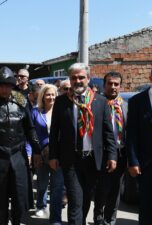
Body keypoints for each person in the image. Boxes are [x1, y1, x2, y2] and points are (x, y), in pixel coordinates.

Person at [49, 63, 117, 225]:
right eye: (74, 78)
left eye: (81, 77)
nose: (77, 81)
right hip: (71, 160)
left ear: (88, 78)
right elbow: (54, 132)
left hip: (94, 160)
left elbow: (108, 133)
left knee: (86, 198)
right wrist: (53, 155)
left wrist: (112, 155)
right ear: (70, 80)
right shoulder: (61, 102)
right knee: (75, 200)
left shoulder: (100, 102)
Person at [0, 66, 40, 225]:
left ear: (12, 85)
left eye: (7, 85)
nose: (4, 89)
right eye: (1, 85)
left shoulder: (22, 101)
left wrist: (37, 151)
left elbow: (30, 128)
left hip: (18, 155)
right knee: (0, 198)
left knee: (19, 196)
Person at [127, 62, 152, 225]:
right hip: (148, 161)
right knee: (147, 203)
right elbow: (132, 134)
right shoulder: (137, 101)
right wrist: (133, 161)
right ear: (151, 79)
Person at [94, 71, 128, 225]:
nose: (113, 87)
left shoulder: (126, 106)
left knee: (115, 190)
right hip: (103, 153)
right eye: (110, 83)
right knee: (102, 188)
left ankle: (109, 220)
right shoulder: (97, 103)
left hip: (121, 153)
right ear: (104, 84)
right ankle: (98, 218)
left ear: (120, 86)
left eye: (116, 84)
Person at [30, 84, 65, 224]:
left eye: (53, 94)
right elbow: (30, 133)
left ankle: (55, 217)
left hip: (58, 153)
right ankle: (41, 205)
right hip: (40, 153)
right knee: (42, 182)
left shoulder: (61, 110)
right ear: (42, 96)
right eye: (48, 94)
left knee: (57, 186)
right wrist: (32, 152)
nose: (51, 97)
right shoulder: (35, 112)